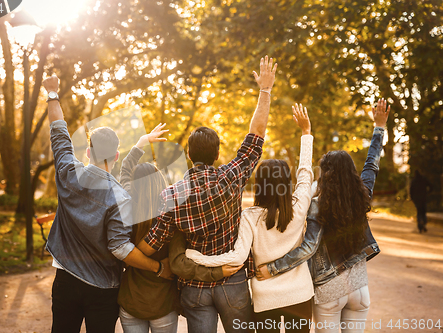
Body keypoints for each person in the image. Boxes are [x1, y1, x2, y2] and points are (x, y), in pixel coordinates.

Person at [136, 55, 278, 333]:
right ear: (216, 153)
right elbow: (257, 133)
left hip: (194, 289)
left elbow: (150, 245)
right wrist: (265, 90)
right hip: (233, 282)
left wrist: (127, 255)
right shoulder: (230, 176)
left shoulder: (171, 195)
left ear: (189, 155)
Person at [42, 75, 173, 333]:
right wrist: (157, 267)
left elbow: (58, 130)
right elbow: (120, 247)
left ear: (89, 152)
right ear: (115, 155)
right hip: (103, 289)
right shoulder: (120, 197)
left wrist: (52, 92)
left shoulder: (68, 171)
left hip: (65, 280)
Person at [256, 99, 391, 333]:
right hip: (359, 289)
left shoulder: (317, 206)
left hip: (329, 290)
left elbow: (308, 248)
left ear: (324, 175)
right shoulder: (362, 196)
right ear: (350, 172)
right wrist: (379, 127)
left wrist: (273, 268)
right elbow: (371, 165)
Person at [185, 103, 314, 333]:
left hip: (266, 298)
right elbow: (305, 171)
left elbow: (236, 258)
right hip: (300, 295)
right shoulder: (300, 205)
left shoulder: (249, 217)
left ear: (259, 186)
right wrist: (306, 133)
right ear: (287, 183)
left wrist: (197, 257)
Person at [117, 124, 241, 333]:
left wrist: (142, 142)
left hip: (132, 299)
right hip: (163, 303)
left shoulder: (127, 204)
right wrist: (216, 271)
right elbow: (179, 264)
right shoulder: (171, 213)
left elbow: (125, 172)